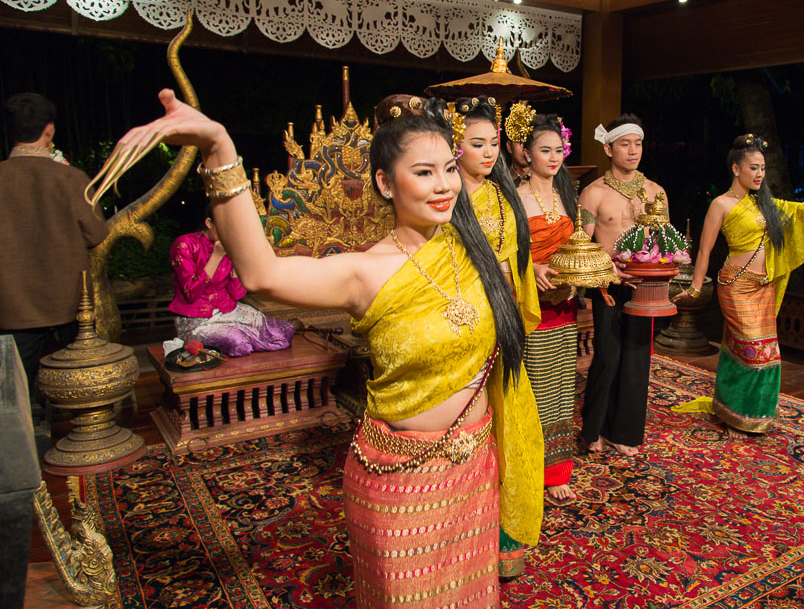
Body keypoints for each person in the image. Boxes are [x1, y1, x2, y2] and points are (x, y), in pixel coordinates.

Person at [111, 89, 542, 608]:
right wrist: (218, 146)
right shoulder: (364, 272)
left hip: (473, 471)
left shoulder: (472, 252)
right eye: (424, 172)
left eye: (449, 169)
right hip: (398, 481)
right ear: (385, 182)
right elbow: (262, 274)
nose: (445, 185)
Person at [674, 134, 804, 433]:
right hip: (736, 287)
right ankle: (739, 409)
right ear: (736, 169)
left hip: (763, 287)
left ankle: (746, 413)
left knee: (767, 353)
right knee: (753, 352)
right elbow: (704, 249)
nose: (760, 174)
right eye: (754, 168)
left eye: (762, 168)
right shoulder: (721, 204)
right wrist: (697, 287)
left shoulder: (764, 204)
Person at [451, 95, 543, 578]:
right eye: (475, 143)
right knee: (469, 426)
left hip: (502, 324)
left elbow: (511, 265)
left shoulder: (502, 197)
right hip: (462, 321)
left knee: (510, 423)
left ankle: (504, 537)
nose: (488, 153)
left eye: (493, 143)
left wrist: (510, 314)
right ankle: (461, 535)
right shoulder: (445, 198)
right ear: (454, 145)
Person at [0, 93, 109, 395]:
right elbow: (97, 233)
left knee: (13, 396)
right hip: (70, 304)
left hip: (10, 307)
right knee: (81, 385)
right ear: (49, 130)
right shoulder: (70, 178)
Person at [577, 113, 668, 457]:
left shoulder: (656, 192)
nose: (633, 151)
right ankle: (593, 429)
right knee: (607, 358)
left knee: (636, 359)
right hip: (608, 287)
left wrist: (658, 271)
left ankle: (624, 432)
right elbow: (582, 247)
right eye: (625, 144)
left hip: (645, 286)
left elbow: (666, 243)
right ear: (608, 148)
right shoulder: (592, 193)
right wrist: (611, 272)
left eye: (638, 144)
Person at [513, 112, 581, 501]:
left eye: (558, 149)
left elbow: (579, 246)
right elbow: (506, 254)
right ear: (527, 153)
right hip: (533, 308)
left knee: (561, 389)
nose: (554, 157)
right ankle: (527, 466)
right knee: (535, 387)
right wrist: (531, 266)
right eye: (545, 150)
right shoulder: (516, 198)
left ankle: (556, 472)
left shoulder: (567, 193)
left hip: (565, 303)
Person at [166, 205, 294, 357]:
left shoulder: (229, 246)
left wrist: (235, 261)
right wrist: (217, 256)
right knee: (238, 343)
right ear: (209, 223)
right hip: (195, 319)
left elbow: (236, 294)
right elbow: (191, 293)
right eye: (226, 226)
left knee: (283, 331)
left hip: (227, 310)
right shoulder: (185, 244)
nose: (230, 233)